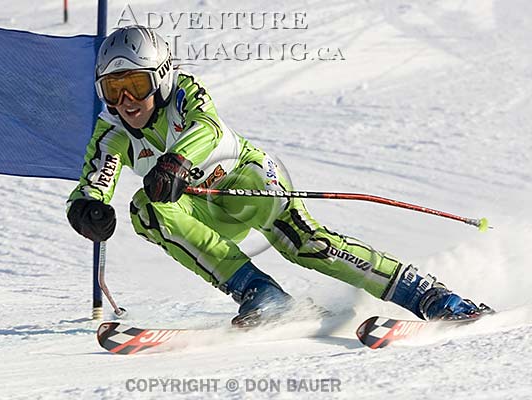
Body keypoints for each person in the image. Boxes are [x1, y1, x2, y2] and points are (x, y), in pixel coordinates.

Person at [67, 26, 488, 326]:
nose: (126, 100)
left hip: (246, 182)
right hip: (203, 208)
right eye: (113, 89)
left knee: (306, 246)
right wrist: (87, 209)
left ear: (160, 79)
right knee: (146, 209)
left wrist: (176, 161)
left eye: (137, 85)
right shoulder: (113, 130)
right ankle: (260, 293)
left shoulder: (184, 93)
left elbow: (207, 128)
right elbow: (96, 178)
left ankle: (426, 294)